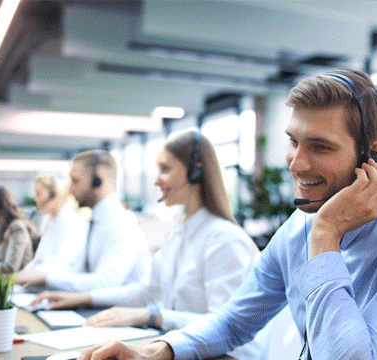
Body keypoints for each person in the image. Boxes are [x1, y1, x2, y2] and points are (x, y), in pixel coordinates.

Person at [81, 69, 377, 359]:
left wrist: (325, 236)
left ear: (372, 154)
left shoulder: (320, 229)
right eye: (294, 141)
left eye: (320, 147)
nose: (296, 164)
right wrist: (157, 351)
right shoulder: (299, 228)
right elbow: (234, 320)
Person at [34, 131, 263, 359]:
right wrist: (84, 298)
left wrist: (152, 316)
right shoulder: (181, 232)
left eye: (165, 169)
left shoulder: (224, 240)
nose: (156, 181)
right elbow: (147, 290)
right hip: (181, 348)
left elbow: (227, 327)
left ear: (196, 171)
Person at [15, 149, 149, 292]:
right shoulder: (97, 222)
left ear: (98, 180)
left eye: (75, 181)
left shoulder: (122, 223)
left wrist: (45, 277)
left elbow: (106, 282)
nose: (70, 190)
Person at [24, 175, 89, 278]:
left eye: (38, 194)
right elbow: (38, 259)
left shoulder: (74, 222)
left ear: (54, 193)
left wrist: (29, 274)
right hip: (44, 280)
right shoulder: (52, 221)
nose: (36, 199)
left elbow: (62, 266)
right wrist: (22, 274)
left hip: (60, 285)